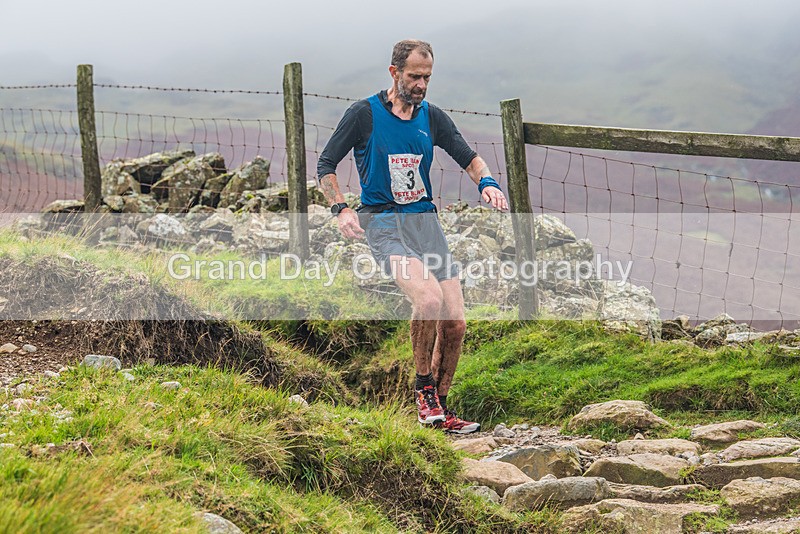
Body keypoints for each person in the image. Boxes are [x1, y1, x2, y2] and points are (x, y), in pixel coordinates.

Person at [317, 39, 508, 434]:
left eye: (427, 78)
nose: (421, 85)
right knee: (428, 298)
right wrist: (341, 208)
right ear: (394, 73)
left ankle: (441, 409)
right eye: (414, 77)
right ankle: (423, 392)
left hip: (425, 223)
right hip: (384, 223)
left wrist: (486, 182)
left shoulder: (431, 117)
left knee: (455, 323)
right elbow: (325, 165)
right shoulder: (364, 115)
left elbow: (469, 158)